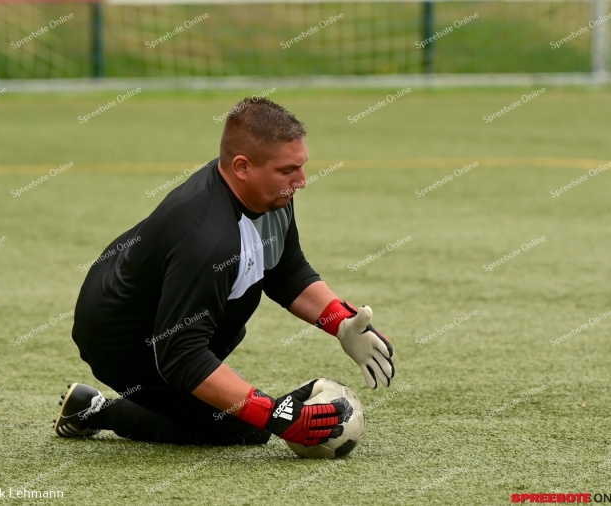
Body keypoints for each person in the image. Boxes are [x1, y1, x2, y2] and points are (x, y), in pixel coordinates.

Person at [54, 98, 395, 446]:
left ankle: (177, 403)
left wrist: (340, 323)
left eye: (301, 165)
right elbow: (180, 355)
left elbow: (286, 270)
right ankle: (93, 410)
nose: (302, 180)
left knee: (231, 363)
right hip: (119, 339)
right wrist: (272, 413)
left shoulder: (267, 194)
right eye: (287, 170)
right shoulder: (208, 239)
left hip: (159, 308)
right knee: (243, 426)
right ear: (242, 167)